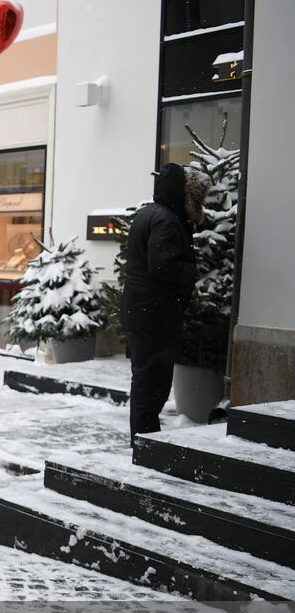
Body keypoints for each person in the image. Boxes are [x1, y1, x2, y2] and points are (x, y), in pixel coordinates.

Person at [121, 162, 203, 440]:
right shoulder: (166, 220)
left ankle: (144, 439)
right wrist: (192, 271)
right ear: (181, 193)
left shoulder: (150, 214)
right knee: (151, 385)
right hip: (155, 315)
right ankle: (145, 443)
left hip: (147, 312)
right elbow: (162, 265)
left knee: (146, 382)